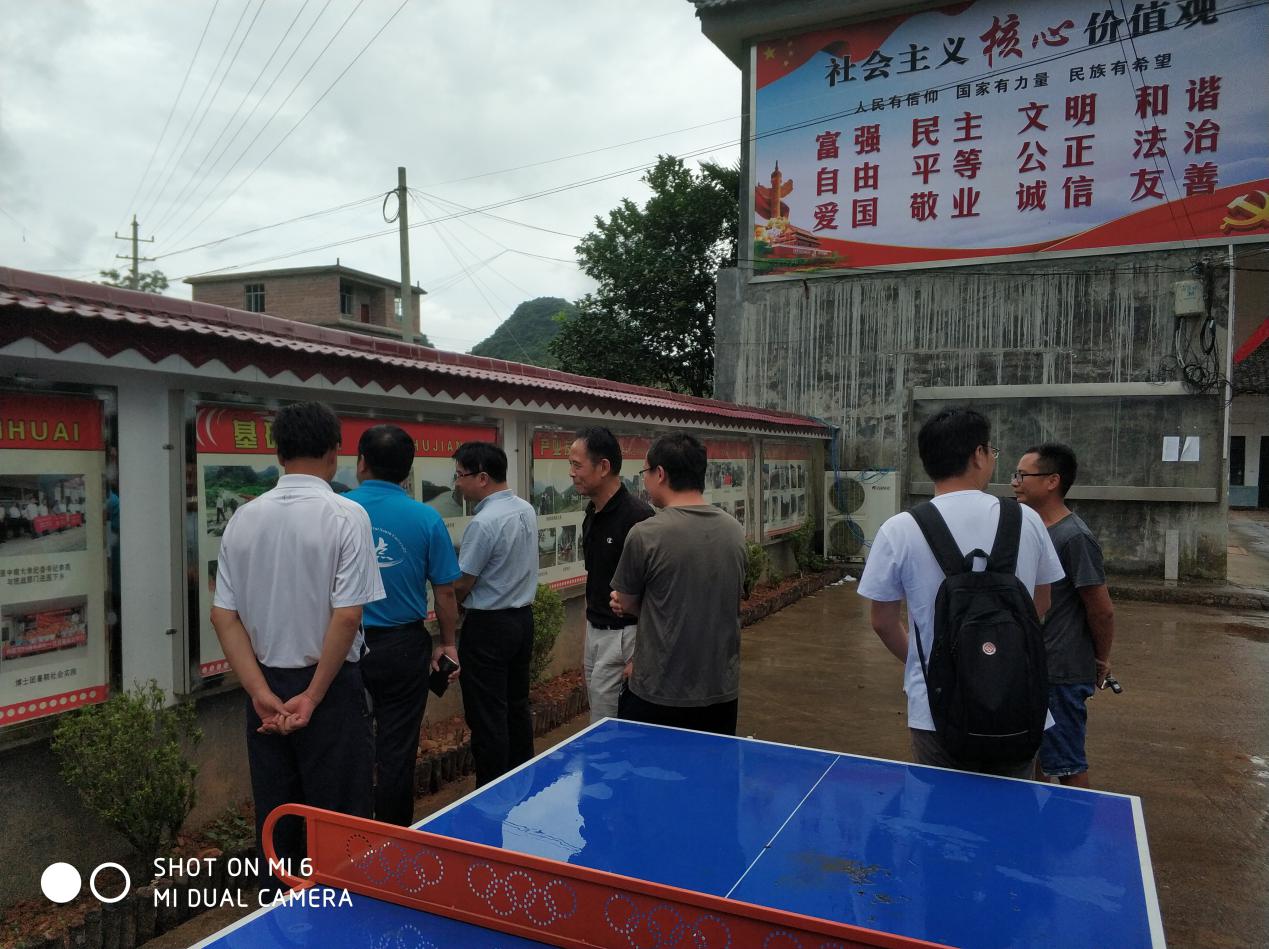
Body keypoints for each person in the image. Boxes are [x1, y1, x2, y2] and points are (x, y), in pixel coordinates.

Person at [210, 401, 383, 888]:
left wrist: (259, 692)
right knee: (340, 821)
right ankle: (341, 916)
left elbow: (223, 615)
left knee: (277, 820)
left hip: (265, 690)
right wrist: (313, 695)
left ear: (279, 453)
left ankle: (280, 916)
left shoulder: (243, 518)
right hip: (330, 688)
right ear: (334, 451)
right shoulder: (346, 515)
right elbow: (347, 615)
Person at [857, 408, 1064, 779]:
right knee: (1012, 807)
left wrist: (931, 661)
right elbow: (1042, 602)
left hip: (934, 711)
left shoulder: (899, 529)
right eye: (991, 451)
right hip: (1018, 701)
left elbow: (883, 622)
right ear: (978, 455)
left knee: (939, 808)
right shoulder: (1027, 519)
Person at [345, 424, 461, 825]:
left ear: (361, 463)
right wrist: (448, 643)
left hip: (343, 645)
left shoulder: (338, 510)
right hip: (403, 647)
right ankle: (394, 838)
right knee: (397, 750)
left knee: (349, 746)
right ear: (408, 472)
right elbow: (445, 592)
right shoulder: (426, 518)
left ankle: (350, 835)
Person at [610, 433, 748, 735]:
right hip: (720, 693)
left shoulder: (645, 534)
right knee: (711, 765)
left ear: (660, 473)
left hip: (658, 692)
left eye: (645, 472)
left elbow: (626, 602)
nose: (645, 480)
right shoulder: (734, 531)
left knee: (649, 766)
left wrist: (629, 602)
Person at [1012, 442, 1115, 788]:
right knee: (1037, 756)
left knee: (1067, 762)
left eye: (1023, 475)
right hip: (1034, 666)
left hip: (1061, 672)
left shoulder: (1074, 538)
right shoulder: (1031, 529)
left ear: (1052, 481)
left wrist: (1100, 659)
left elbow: (1101, 609)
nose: (1015, 482)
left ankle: (1077, 823)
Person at [450, 442, 538, 786]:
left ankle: (491, 792)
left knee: (488, 716)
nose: (458, 483)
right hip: (521, 621)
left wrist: (447, 597)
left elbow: (462, 582)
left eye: (461, 475)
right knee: (516, 706)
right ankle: (522, 780)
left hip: (488, 627)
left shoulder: (484, 522)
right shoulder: (525, 509)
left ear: (482, 477)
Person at [570, 427, 654, 722]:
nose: (571, 473)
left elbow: (654, 593)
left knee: (612, 727)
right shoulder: (591, 515)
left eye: (577, 465)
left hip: (625, 637)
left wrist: (638, 655)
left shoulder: (639, 518)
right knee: (599, 717)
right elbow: (595, 578)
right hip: (596, 632)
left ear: (603, 467)